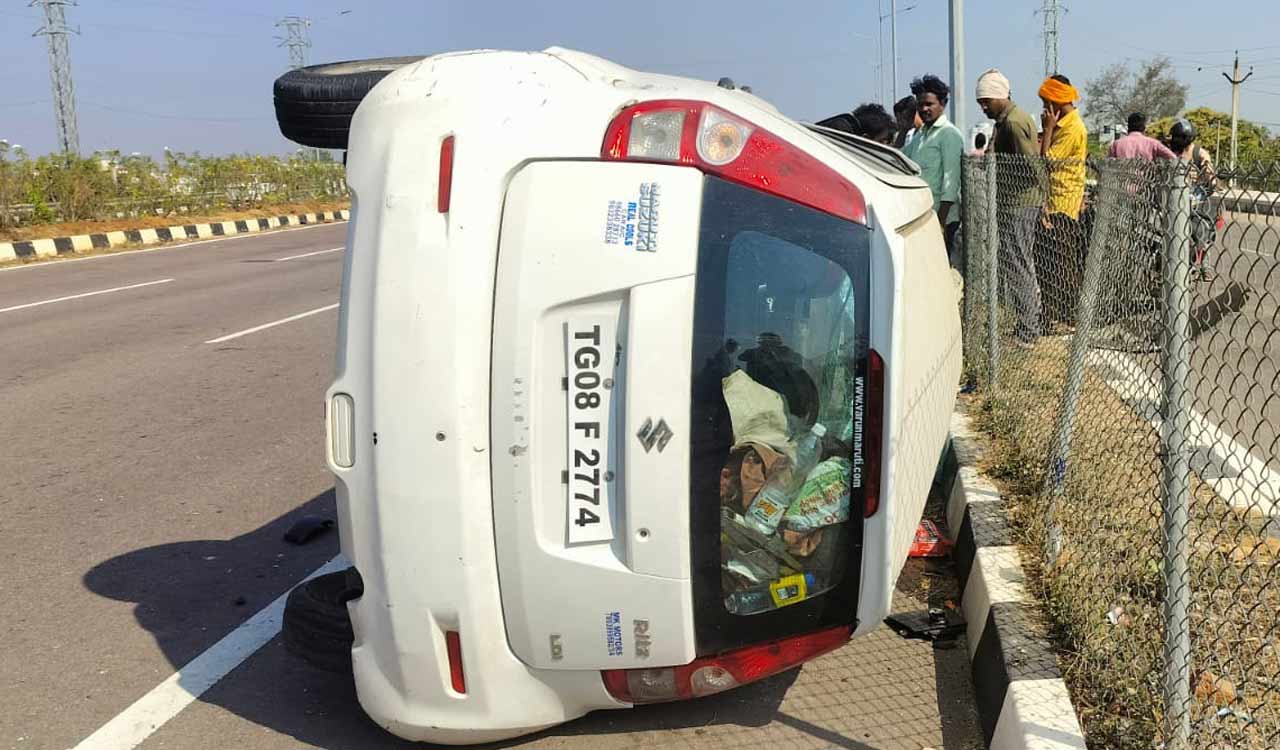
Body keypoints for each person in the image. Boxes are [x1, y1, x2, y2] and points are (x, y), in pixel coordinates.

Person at [975, 68, 1043, 346]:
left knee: (1019, 264)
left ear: (999, 97)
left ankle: (1028, 330)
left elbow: (1032, 166)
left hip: (1020, 203)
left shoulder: (1014, 123)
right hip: (1015, 202)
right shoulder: (1006, 121)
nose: (983, 107)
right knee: (1019, 263)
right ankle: (1026, 324)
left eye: (986, 101)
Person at [1036, 73, 1088, 326]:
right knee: (1052, 261)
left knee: (1062, 262)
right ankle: (1056, 313)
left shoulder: (1073, 127)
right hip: (1055, 198)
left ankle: (1069, 316)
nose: (1045, 109)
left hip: (1064, 200)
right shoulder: (1064, 124)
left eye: (1047, 102)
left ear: (1056, 101)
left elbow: (1048, 160)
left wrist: (1046, 130)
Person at [903, 75, 965, 269]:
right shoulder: (920, 136)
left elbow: (951, 181)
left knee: (943, 271)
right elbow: (899, 160)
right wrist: (904, 128)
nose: (924, 109)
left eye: (929, 104)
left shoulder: (949, 135)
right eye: (920, 105)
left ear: (943, 104)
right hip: (921, 216)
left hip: (942, 219)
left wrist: (941, 222)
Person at [1169, 118, 1219, 281]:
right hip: (1173, 199)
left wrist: (1209, 181)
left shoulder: (1200, 153)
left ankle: (1205, 265)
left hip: (1196, 200)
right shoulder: (1171, 154)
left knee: (1203, 231)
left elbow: (1210, 177)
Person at [1108, 112, 1176, 161]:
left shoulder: (1116, 144)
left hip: (1121, 180)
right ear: (1143, 127)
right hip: (1145, 179)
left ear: (1129, 127)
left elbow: (1109, 164)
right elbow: (1173, 157)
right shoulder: (1153, 143)